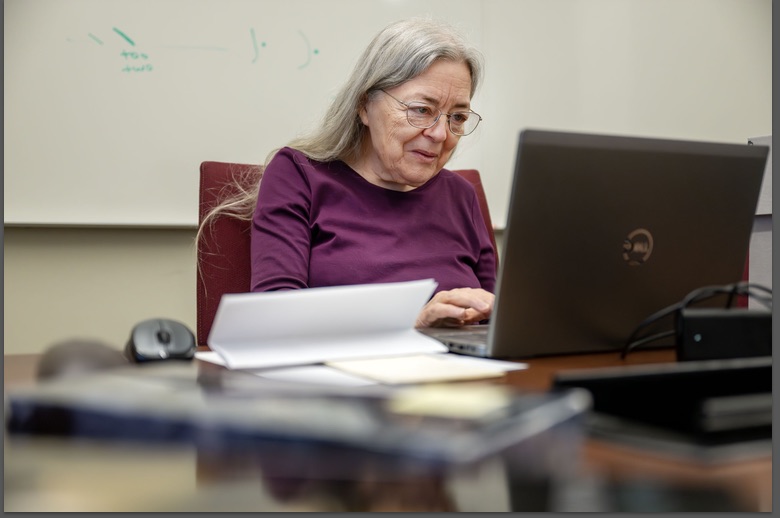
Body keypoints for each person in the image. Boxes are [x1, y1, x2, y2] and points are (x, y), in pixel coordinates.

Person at [201, 18, 496, 328]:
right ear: (364, 105)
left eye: (458, 117)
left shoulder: (461, 195)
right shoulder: (298, 175)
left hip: (459, 374)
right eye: (421, 109)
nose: (440, 134)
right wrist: (412, 324)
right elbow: (274, 319)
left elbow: (498, 322)